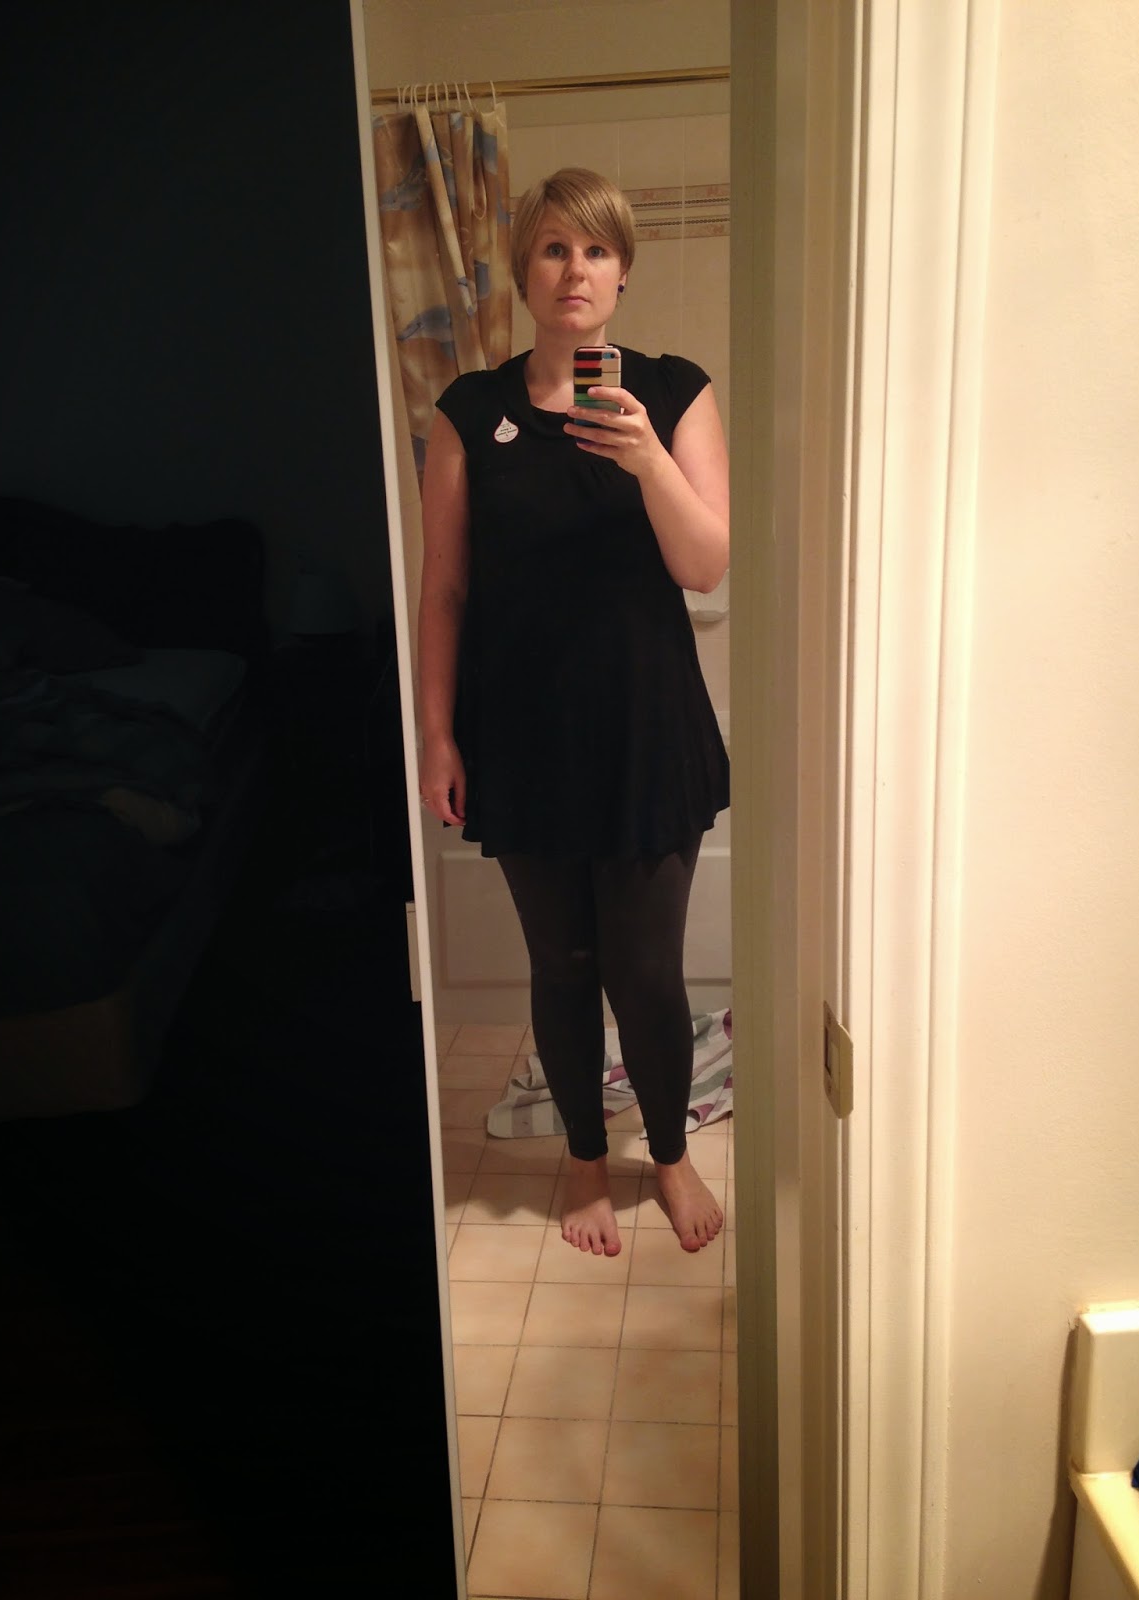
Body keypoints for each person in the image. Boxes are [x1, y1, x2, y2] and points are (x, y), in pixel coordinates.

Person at [417, 167, 730, 1257]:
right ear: (524, 270)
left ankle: (671, 1154)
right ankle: (586, 1161)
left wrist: (645, 456)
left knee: (645, 972)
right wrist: (437, 734)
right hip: (523, 738)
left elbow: (705, 564)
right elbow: (444, 589)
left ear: (624, 271)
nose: (575, 270)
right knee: (560, 968)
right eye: (554, 248)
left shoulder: (675, 393)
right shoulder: (469, 412)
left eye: (596, 250)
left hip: (647, 732)